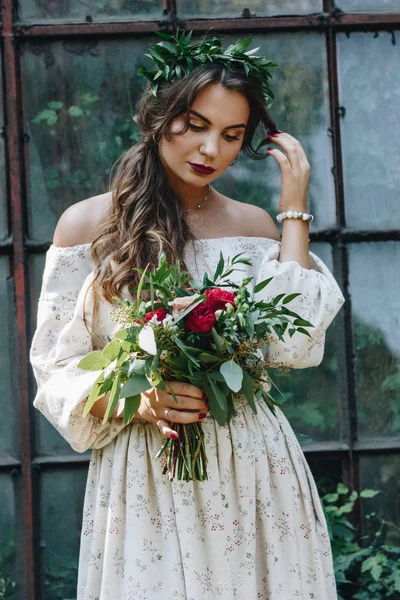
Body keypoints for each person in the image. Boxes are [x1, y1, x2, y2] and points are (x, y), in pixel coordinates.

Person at [30, 30, 345, 600]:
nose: (210, 150)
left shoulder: (252, 227)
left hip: (253, 466)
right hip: (145, 468)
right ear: (158, 116)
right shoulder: (85, 229)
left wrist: (293, 206)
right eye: (195, 125)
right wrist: (136, 397)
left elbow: (293, 347)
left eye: (231, 135)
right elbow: (56, 371)